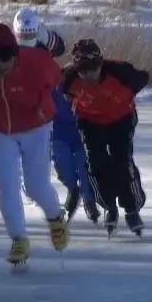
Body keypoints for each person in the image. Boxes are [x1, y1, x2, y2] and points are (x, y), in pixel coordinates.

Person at [0, 23, 68, 267]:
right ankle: (19, 239)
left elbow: (56, 79)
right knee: (7, 185)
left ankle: (55, 217)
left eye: (5, 57)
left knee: (35, 186)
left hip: (35, 127)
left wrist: (41, 103)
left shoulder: (38, 63)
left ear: (16, 53)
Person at [60, 39, 149, 238]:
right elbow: (56, 88)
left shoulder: (120, 72)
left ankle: (132, 208)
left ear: (101, 64)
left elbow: (143, 77)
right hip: (90, 121)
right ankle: (109, 205)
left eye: (93, 69)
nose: (89, 75)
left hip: (122, 119)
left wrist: (128, 96)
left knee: (121, 160)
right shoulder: (68, 78)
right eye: (83, 71)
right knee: (94, 164)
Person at [52, 86, 101, 224]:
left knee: (84, 168)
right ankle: (73, 190)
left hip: (82, 135)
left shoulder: (84, 88)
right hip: (59, 135)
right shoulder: (54, 91)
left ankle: (88, 199)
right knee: (64, 168)